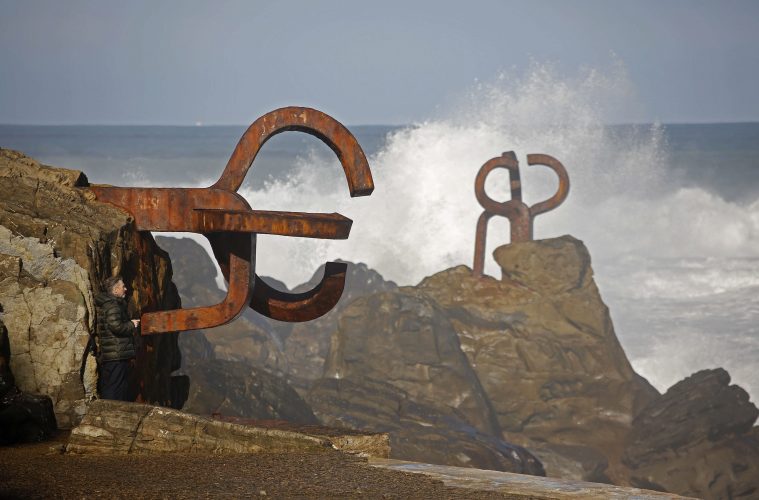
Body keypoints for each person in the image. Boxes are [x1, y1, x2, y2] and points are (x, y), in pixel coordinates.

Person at [95, 276, 139, 401]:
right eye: (123, 287)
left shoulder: (111, 304)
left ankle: (114, 413)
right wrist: (132, 324)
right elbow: (115, 326)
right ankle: (110, 414)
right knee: (114, 387)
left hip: (116, 353)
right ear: (115, 291)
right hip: (116, 354)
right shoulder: (112, 306)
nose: (126, 289)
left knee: (117, 386)